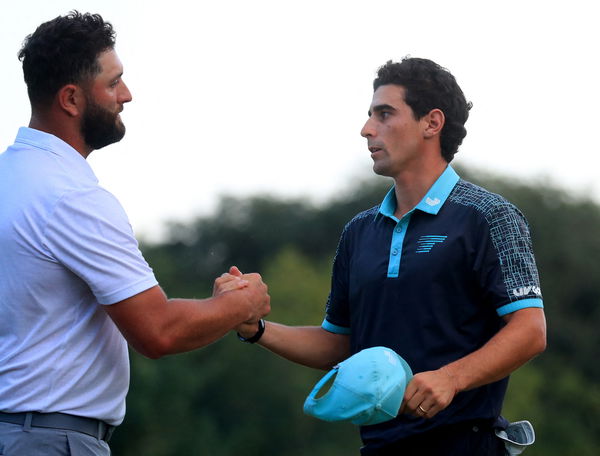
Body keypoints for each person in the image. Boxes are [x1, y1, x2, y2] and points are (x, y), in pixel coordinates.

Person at [232, 57, 546, 455]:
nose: (366, 130)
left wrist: (451, 378)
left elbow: (530, 331)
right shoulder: (359, 232)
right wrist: (255, 328)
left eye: (384, 114)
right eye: (370, 116)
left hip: (465, 445)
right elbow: (340, 345)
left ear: (432, 123)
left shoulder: (490, 216)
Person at [0, 11, 269, 456]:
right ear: (71, 98)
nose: (127, 95)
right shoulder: (72, 198)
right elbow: (158, 331)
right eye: (113, 83)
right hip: (48, 439)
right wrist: (242, 302)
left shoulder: (11, 178)